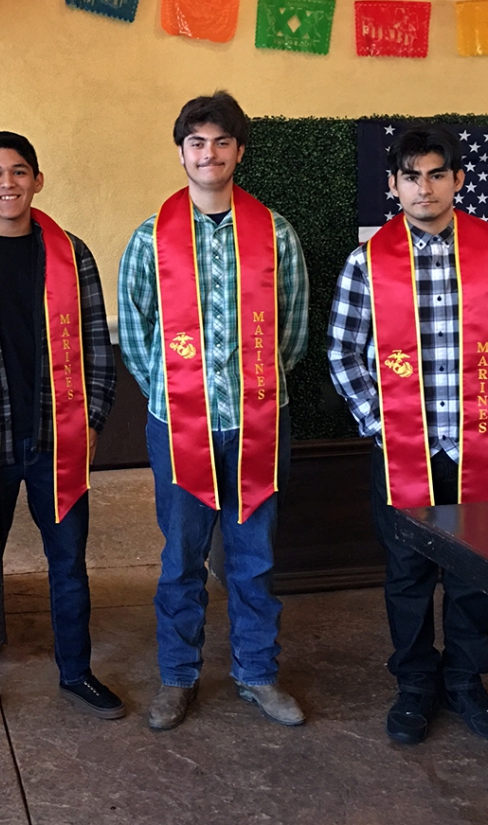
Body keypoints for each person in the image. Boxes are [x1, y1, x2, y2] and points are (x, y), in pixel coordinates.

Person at [327, 123, 488, 744]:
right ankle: (416, 684)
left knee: (478, 571)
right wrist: (381, 424)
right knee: (407, 573)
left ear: (459, 180)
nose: (426, 187)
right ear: (393, 185)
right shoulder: (367, 261)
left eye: (437, 174)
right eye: (412, 176)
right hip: (403, 451)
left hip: (481, 443)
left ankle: (467, 681)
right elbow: (346, 354)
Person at [0, 131, 124, 733]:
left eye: (19, 171)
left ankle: (75, 671)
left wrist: (93, 419)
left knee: (68, 564)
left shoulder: (70, 252)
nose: (7, 183)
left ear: (38, 180)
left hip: (55, 438)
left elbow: (94, 341)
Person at [118, 92, 309, 731]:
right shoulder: (150, 238)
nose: (209, 153)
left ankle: (257, 672)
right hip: (179, 429)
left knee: (253, 556)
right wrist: (176, 396)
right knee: (181, 558)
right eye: (197, 142)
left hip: (257, 423)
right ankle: (178, 676)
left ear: (238, 151)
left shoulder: (275, 233)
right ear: (181, 153)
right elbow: (137, 330)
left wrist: (254, 388)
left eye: (221, 142)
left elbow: (293, 326)